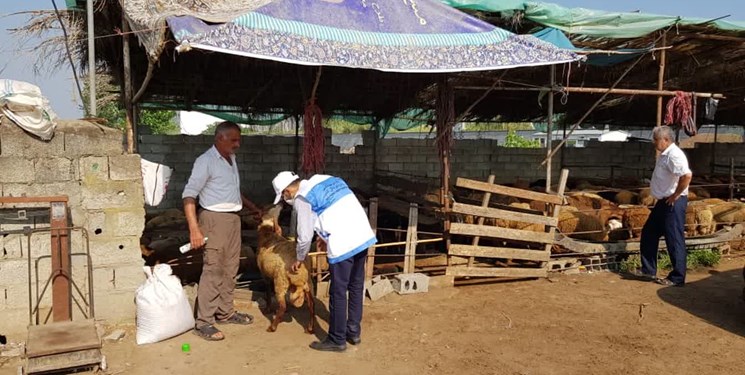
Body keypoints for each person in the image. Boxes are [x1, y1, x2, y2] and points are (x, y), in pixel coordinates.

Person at [271, 171, 377, 352]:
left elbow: (304, 236)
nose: (285, 200)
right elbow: (332, 210)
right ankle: (353, 331)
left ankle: (337, 339)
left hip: (343, 241)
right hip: (362, 233)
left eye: (283, 196)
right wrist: (323, 234)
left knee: (338, 291)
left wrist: (299, 257)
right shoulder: (325, 179)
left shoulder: (302, 198)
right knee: (356, 285)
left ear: (287, 191)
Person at [183, 121, 260, 341]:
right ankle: (204, 322)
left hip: (233, 220)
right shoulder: (205, 161)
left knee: (230, 268)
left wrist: (253, 208)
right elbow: (189, 196)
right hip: (213, 220)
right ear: (219, 138)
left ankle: (225, 313)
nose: (238, 144)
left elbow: (233, 191)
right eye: (233, 140)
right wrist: (194, 229)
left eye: (239, 140)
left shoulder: (230, 159)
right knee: (213, 269)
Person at [637, 125, 692, 286]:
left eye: (656, 140)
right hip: (663, 202)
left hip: (673, 202)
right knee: (649, 233)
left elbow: (687, 175)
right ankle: (648, 269)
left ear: (666, 140)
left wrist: (675, 195)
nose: (654, 143)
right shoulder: (665, 154)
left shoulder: (674, 155)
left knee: (674, 239)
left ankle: (677, 277)